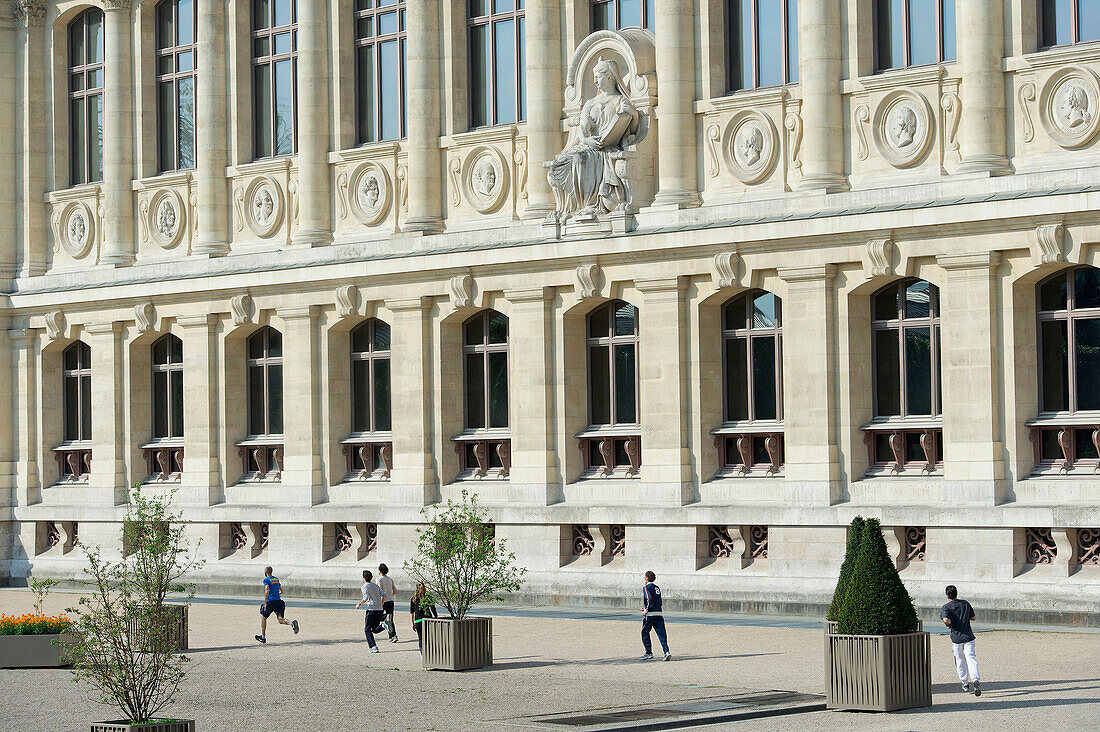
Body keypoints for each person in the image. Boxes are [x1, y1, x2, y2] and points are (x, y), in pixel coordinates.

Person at [941, 585, 980, 696]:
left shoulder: (946, 607)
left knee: (960, 660)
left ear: (947, 595)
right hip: (968, 636)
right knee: (971, 658)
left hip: (956, 637)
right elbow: (973, 617)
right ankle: (975, 679)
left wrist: (949, 624)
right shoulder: (965, 604)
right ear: (957, 593)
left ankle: (965, 682)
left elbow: (945, 620)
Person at [255, 566, 299, 644]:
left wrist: (265, 602)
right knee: (280, 619)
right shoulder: (276, 579)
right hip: (279, 602)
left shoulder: (266, 580)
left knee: (263, 618)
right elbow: (281, 591)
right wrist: (276, 594)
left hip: (270, 602)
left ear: (266, 572)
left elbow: (267, 590)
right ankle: (292, 623)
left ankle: (263, 637)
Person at [639, 570, 671, 661]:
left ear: (646, 578)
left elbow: (649, 598)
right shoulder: (657, 588)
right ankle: (666, 651)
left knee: (645, 631)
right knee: (662, 634)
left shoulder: (646, 587)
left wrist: (646, 610)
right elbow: (659, 601)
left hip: (651, 614)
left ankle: (648, 652)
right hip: (659, 613)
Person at [355, 569, 387, 653]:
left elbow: (365, 598)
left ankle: (373, 646)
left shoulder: (364, 586)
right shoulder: (375, 586)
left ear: (363, 578)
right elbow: (384, 595)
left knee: (367, 629)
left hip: (371, 609)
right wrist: (381, 604)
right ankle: (383, 625)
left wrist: (359, 604)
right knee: (374, 629)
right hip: (379, 609)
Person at [409, 582, 438, 652]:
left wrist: (413, 623)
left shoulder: (413, 598)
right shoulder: (428, 597)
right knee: (428, 639)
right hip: (428, 620)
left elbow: (412, 612)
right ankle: (429, 654)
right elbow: (433, 608)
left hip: (418, 621)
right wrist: (436, 616)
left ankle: (423, 654)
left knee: (421, 639)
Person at [377, 563, 398, 643]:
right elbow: (395, 591)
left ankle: (385, 620)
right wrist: (390, 594)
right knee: (391, 619)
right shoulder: (390, 579)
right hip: (390, 600)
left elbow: (380, 591)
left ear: (379, 570)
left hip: (383, 601)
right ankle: (393, 635)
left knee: (379, 616)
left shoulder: (379, 579)